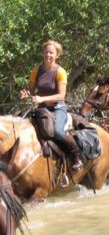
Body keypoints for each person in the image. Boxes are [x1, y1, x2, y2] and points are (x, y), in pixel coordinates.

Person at [19, 40, 84, 171]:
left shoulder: (60, 72)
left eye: (51, 52)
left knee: (59, 132)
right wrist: (25, 94)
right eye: (46, 52)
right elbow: (31, 90)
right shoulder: (36, 70)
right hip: (42, 109)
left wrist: (41, 98)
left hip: (58, 108)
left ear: (57, 55)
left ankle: (77, 156)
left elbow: (61, 95)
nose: (48, 55)